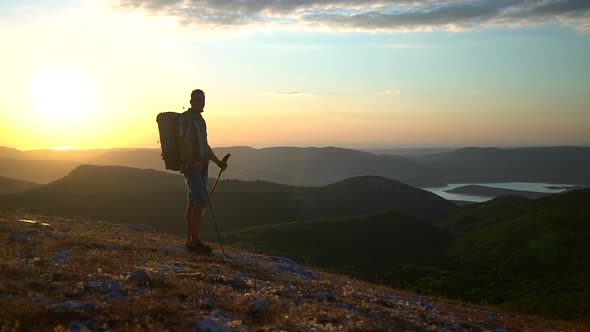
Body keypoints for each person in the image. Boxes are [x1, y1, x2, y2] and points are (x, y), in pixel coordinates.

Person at [178, 89, 227, 254]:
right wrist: (192, 162)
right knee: (200, 202)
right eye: (198, 100)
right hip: (191, 166)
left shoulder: (200, 120)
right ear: (191, 101)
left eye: (203, 100)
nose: (201, 103)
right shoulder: (186, 119)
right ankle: (194, 242)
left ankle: (191, 239)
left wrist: (217, 161)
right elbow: (182, 143)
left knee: (194, 202)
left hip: (202, 166)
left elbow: (204, 145)